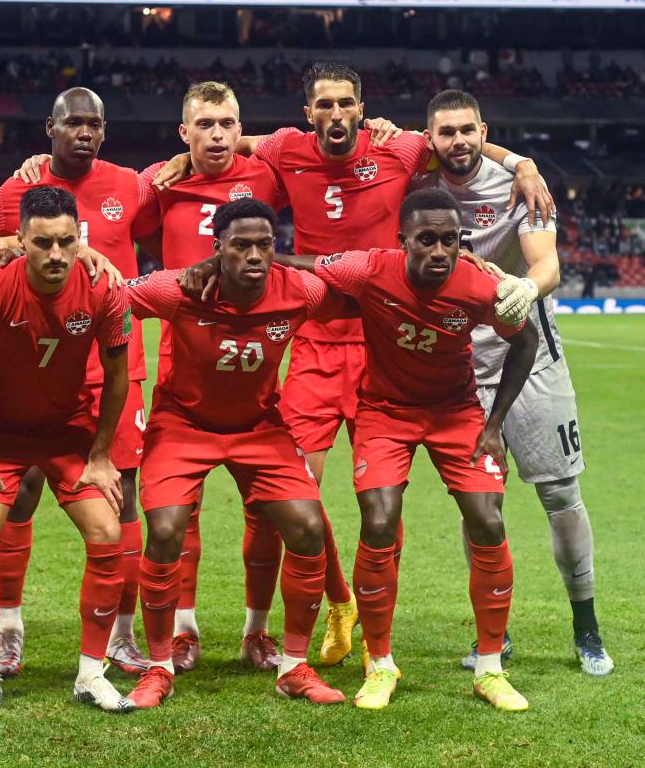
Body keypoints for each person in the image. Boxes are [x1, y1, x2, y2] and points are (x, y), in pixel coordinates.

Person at [163, 63, 553, 668]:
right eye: (326, 104)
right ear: (309, 112)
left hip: (383, 341)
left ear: (362, 109)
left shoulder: (398, 148)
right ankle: (288, 619)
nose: (337, 114)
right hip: (317, 339)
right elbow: (236, 141)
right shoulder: (288, 148)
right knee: (281, 495)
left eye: (348, 103)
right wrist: (186, 156)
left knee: (382, 500)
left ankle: (376, 638)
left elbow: (461, 142)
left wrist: (521, 163)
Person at [281, 187, 537, 712]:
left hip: (457, 413)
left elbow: (526, 339)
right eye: (427, 240)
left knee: (487, 518)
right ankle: (380, 664)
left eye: (450, 240)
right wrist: (255, 254)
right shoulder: (370, 268)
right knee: (379, 517)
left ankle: (490, 668)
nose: (439, 251)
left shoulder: (478, 285)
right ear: (403, 242)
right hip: (385, 413)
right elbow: (308, 262)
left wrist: (495, 425)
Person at [124, 199, 346, 709]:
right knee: (164, 529)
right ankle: (159, 666)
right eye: (240, 245)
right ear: (217, 248)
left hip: (259, 428)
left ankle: (292, 665)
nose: (254, 256)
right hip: (183, 425)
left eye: (264, 245)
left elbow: (362, 296)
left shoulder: (301, 291)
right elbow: (107, 301)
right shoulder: (177, 288)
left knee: (308, 526)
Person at [421, 89, 614, 676]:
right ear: (429, 139)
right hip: (457, 368)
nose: (458, 141)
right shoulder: (417, 184)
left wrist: (528, 289)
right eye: (445, 132)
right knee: (480, 508)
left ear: (484, 130)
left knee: (560, 496)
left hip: (530, 360)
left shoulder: (519, 187)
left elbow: (547, 263)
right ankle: (493, 635)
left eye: (467, 131)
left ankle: (587, 627)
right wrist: (519, 156)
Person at [0, 87, 158, 676]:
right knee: (21, 494)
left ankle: (121, 636)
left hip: (112, 369)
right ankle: (9, 628)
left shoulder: (131, 184)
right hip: (37, 367)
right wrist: (10, 240)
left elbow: (175, 206)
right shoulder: (15, 191)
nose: (84, 133)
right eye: (72, 123)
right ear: (49, 127)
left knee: (121, 496)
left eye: (94, 124)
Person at [0, 186, 134, 715]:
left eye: (66, 242)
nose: (56, 255)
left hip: (68, 432)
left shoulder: (104, 291)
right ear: (21, 242)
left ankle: (91, 674)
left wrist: (100, 456)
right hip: (1, 435)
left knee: (106, 532)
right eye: (43, 243)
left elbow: (118, 378)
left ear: (80, 240)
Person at [139, 81, 292, 672]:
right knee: (182, 511)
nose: (218, 135)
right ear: (184, 132)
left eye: (228, 123)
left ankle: (257, 631)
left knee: (268, 510)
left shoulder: (267, 175)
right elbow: (126, 232)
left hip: (256, 364)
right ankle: (184, 628)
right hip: (187, 365)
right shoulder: (161, 181)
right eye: (204, 125)